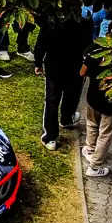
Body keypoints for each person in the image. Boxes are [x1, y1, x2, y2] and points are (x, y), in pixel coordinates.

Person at [34, 10, 93, 149]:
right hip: (75, 67)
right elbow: (89, 46)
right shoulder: (83, 23)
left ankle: (50, 137)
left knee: (52, 101)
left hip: (54, 67)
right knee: (72, 95)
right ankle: (67, 118)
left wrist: (38, 63)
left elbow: (40, 46)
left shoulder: (50, 24)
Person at [81, 42, 112, 177]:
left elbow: (82, 72)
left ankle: (90, 150)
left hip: (94, 97)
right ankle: (95, 166)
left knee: (92, 124)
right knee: (105, 134)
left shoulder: (96, 50)